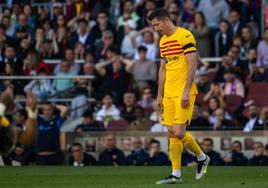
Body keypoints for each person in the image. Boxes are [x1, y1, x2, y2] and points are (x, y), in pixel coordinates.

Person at [147, 8, 210, 184]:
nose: (156, 28)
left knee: (179, 131)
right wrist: (159, 96)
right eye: (153, 26)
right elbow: (162, 69)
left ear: (166, 20)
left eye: (157, 24)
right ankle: (176, 174)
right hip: (168, 92)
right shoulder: (163, 41)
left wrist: (185, 91)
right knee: (171, 132)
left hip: (184, 91)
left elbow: (193, 65)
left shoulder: (185, 35)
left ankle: (202, 157)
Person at [0, 91, 37, 156]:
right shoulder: (5, 126)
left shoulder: (5, 125)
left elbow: (5, 96)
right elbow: (28, 140)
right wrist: (32, 112)